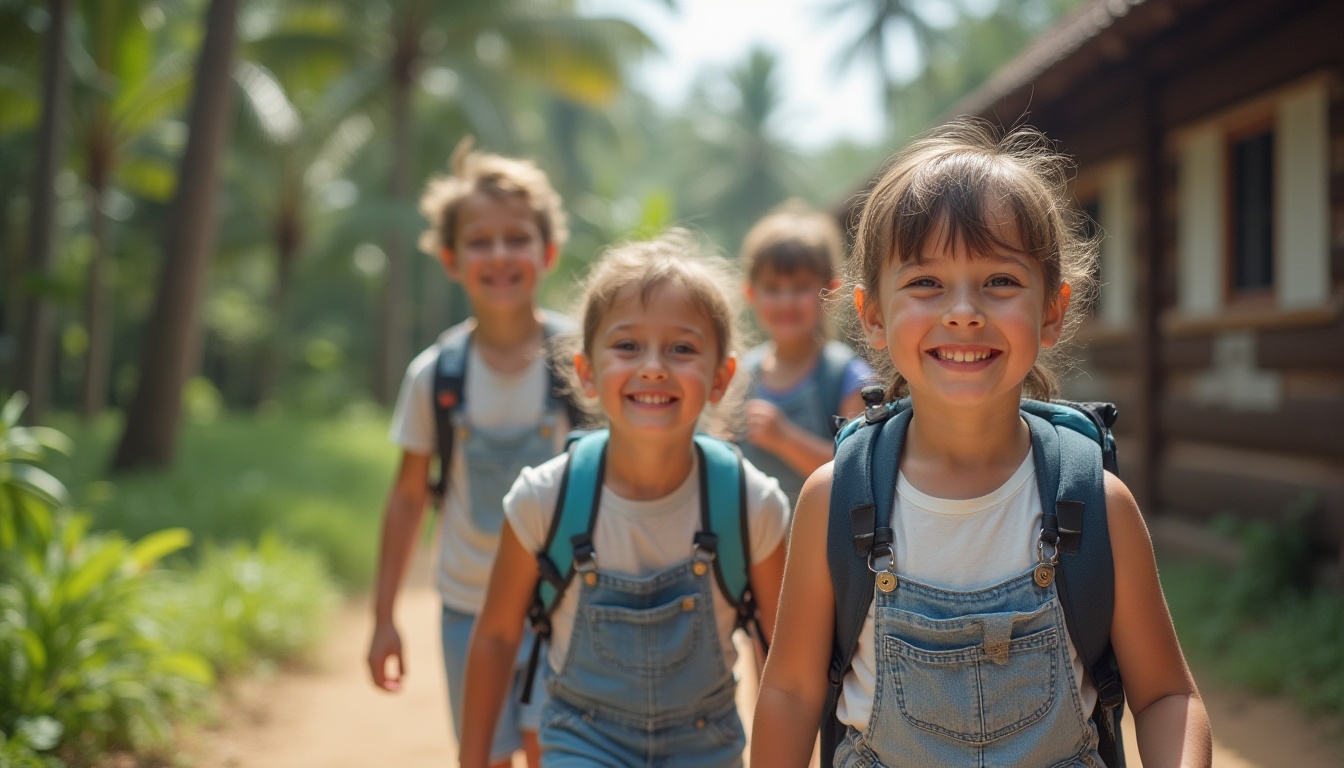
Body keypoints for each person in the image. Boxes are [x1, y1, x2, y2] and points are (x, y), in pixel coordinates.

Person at [751, 118, 1212, 767]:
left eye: (999, 281)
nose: (964, 310)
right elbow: (791, 693)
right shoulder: (836, 499)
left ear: (1051, 311)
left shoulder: (1096, 503)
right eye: (925, 283)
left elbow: (1167, 697)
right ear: (873, 315)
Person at [460, 231, 791, 768]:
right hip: (580, 740)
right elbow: (497, 636)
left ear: (721, 378)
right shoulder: (544, 500)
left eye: (682, 348)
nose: (654, 367)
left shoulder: (753, 505)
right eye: (627, 345)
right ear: (586, 372)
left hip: (706, 746)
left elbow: (780, 658)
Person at [366, 138, 573, 768]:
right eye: (480, 241)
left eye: (517, 238)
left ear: (548, 252)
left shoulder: (582, 360)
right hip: (466, 607)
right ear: (452, 259)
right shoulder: (437, 374)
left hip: (560, 606)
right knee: (481, 755)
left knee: (551, 751)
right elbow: (407, 497)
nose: (500, 254)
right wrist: (383, 617)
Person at [739, 200, 874, 506]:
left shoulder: (850, 378)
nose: (786, 301)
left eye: (800, 287)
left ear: (831, 291)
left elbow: (858, 472)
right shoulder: (739, 377)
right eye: (773, 288)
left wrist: (784, 438)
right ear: (750, 293)